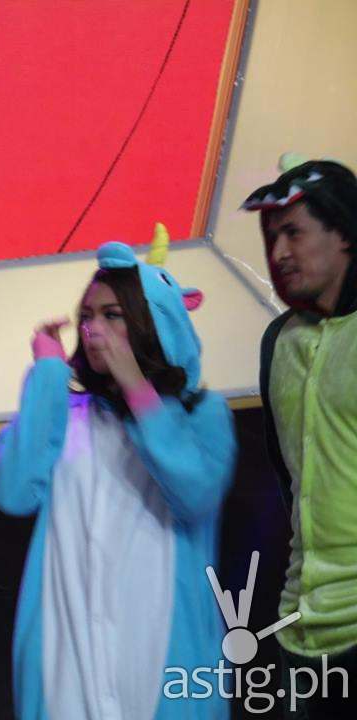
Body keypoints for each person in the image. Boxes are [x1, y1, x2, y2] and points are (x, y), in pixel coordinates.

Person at [0, 241, 236, 720]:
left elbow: (195, 493)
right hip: (70, 656)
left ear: (151, 321)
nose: (92, 328)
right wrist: (47, 374)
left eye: (112, 315)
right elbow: (12, 492)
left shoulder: (201, 413)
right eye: (86, 316)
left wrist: (137, 387)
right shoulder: (68, 413)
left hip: (157, 656)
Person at [242, 158, 357, 718]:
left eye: (293, 232)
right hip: (300, 629)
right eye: (270, 237)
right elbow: (289, 478)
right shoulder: (278, 341)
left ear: (345, 234)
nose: (278, 252)